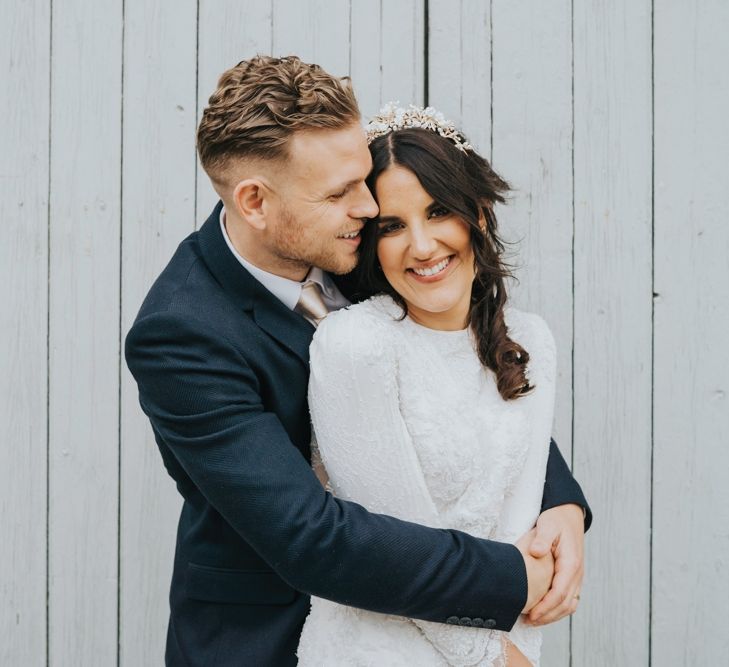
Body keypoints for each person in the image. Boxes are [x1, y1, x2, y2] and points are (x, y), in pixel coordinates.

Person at [125, 56, 591, 666]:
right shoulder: (181, 334)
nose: (370, 207)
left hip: (421, 629)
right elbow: (310, 536)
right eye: (341, 192)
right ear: (255, 202)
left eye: (362, 178)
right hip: (267, 640)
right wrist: (510, 581)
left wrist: (561, 501)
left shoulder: (360, 246)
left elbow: (460, 377)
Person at [297, 104, 570, 666]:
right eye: (392, 226)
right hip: (375, 649)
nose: (421, 247)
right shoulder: (355, 345)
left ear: (481, 214)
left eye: (439, 211)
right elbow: (392, 549)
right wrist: (494, 660)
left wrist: (520, 648)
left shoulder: (532, 341)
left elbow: (520, 527)